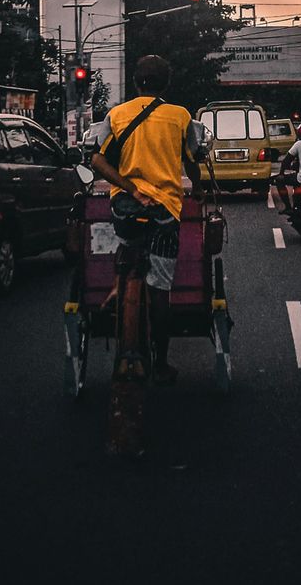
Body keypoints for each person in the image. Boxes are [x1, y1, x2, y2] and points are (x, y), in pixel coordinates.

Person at [91, 54, 203, 386]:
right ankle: (163, 362)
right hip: (165, 211)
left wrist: (130, 189)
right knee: (160, 288)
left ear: (136, 82)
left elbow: (97, 159)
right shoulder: (180, 116)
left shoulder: (117, 114)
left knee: (127, 243)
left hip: (125, 207)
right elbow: (193, 159)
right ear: (166, 84)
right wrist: (196, 188)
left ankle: (119, 285)